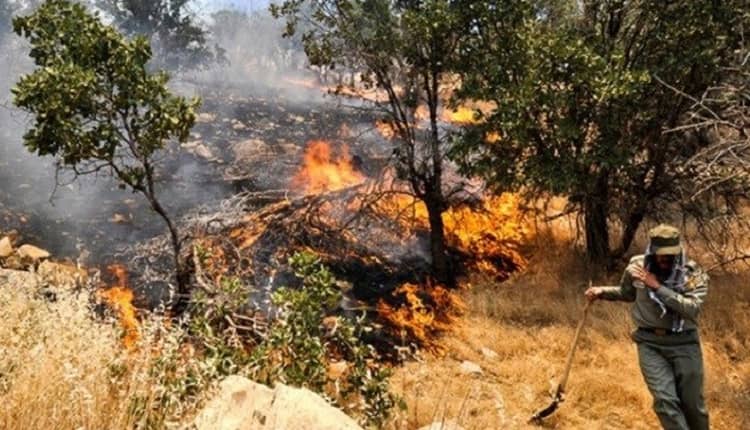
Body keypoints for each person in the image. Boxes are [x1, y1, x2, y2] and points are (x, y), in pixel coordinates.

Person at [585, 224, 709, 430]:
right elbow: (627, 293)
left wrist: (658, 287)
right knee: (665, 401)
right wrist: (601, 291)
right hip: (650, 343)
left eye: (670, 255)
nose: (665, 259)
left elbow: (692, 309)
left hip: (684, 343)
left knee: (693, 406)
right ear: (651, 250)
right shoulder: (636, 267)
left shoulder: (693, 273)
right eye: (660, 255)